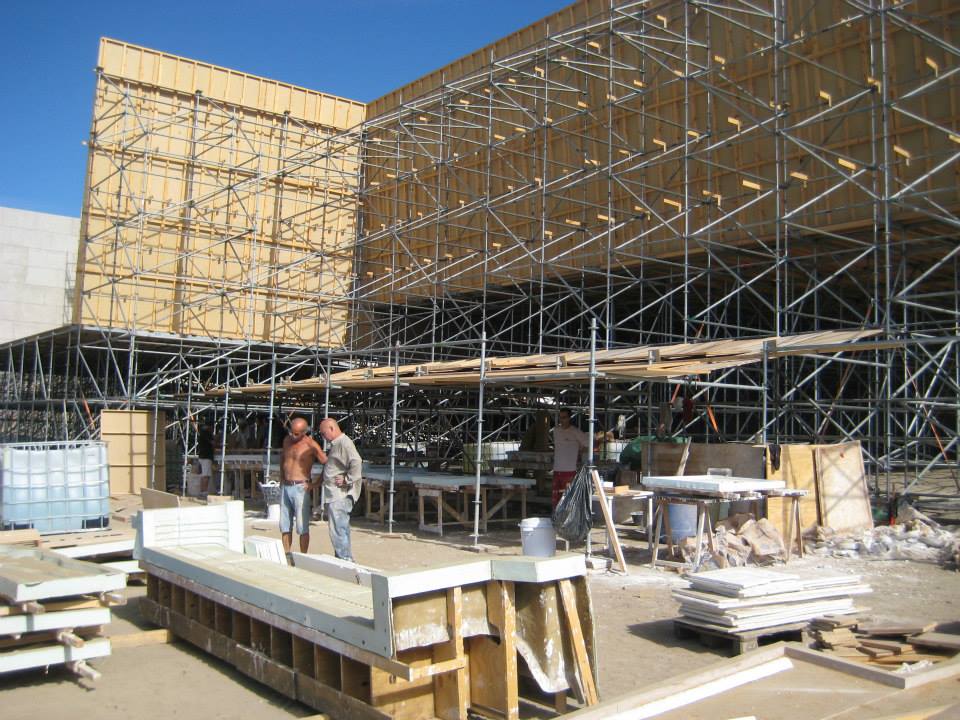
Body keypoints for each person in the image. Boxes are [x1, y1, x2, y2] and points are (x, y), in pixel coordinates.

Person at [317, 417, 363, 562]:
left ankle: (345, 559)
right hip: (334, 494)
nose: (323, 437)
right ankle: (342, 557)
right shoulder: (336, 444)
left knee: (338, 529)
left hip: (340, 495)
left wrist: (347, 479)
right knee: (340, 528)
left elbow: (357, 462)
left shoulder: (344, 443)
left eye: (324, 433)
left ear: (332, 428)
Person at [280, 417, 327, 554]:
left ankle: (303, 556)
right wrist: (282, 477)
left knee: (302, 526)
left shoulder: (311, 445)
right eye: (291, 432)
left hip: (301, 487)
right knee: (284, 524)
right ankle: (287, 554)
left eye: (296, 434)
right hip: (286, 486)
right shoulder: (287, 441)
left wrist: (316, 483)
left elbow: (326, 462)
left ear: (304, 432)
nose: (293, 436)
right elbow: (283, 458)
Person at [552, 407, 588, 507]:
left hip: (569, 470)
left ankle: (567, 517)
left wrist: (579, 452)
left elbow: (588, 445)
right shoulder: (556, 431)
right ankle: (556, 517)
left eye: (564, 417)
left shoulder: (576, 432)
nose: (562, 420)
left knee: (568, 497)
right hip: (557, 469)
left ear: (569, 418)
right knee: (556, 497)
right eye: (560, 417)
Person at [196, 423, 215, 494]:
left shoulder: (201, 433)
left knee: (204, 474)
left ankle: (202, 490)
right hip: (206, 457)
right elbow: (213, 443)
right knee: (206, 475)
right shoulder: (207, 433)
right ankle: (204, 491)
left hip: (201, 456)